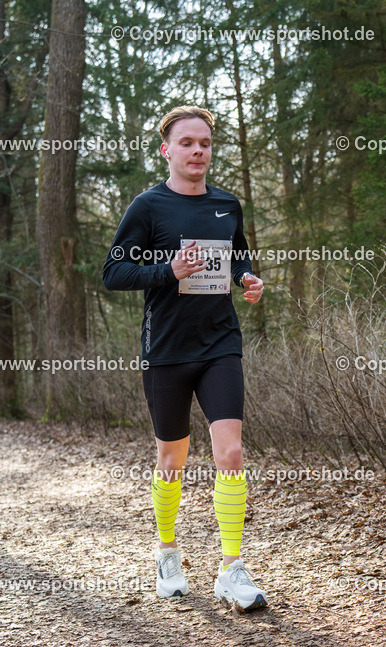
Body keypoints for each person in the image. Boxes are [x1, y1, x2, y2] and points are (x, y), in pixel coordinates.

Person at [102, 105, 267, 612]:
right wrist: (166, 270)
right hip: (167, 349)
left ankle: (230, 567)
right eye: (188, 143)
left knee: (231, 453)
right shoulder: (148, 208)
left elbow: (237, 252)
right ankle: (168, 553)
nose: (199, 151)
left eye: (205, 143)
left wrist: (247, 278)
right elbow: (113, 274)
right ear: (166, 150)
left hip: (220, 342)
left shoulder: (226, 204)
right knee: (172, 460)